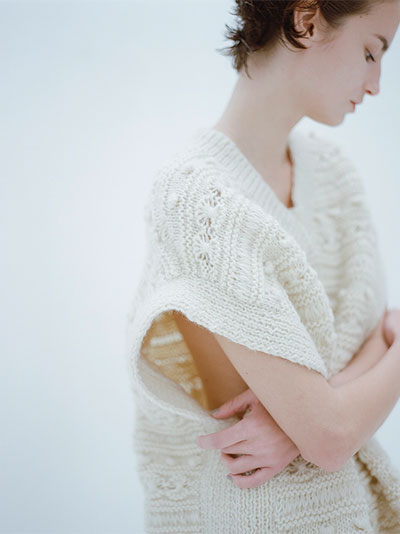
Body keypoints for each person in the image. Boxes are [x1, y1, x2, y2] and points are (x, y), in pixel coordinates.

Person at [127, 1, 400, 532]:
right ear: (306, 21)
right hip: (254, 516)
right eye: (371, 52)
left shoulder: (335, 174)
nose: (376, 85)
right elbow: (330, 436)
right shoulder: (198, 198)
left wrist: (303, 419)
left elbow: (366, 348)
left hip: (355, 512)